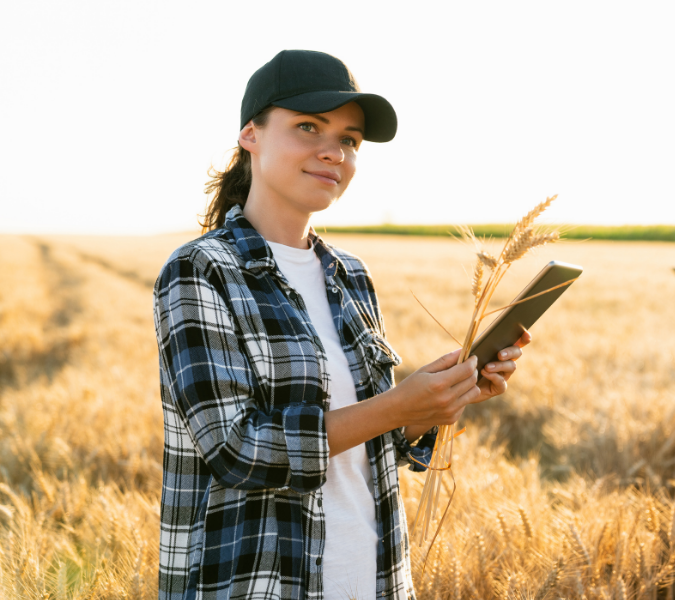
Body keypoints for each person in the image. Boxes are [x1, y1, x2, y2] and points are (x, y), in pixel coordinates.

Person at [153, 50, 529, 600]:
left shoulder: (350, 275)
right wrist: (397, 404)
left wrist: (436, 403)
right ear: (250, 135)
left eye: (350, 140)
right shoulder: (200, 270)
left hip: (370, 576)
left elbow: (370, 445)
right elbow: (237, 450)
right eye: (308, 127)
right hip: (257, 583)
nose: (334, 152)